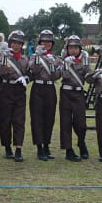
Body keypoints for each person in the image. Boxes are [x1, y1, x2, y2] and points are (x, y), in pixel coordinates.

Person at [0, 31, 30, 162]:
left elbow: (29, 73)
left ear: (22, 45)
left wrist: (26, 79)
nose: (16, 45)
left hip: (19, 90)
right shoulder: (4, 57)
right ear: (10, 43)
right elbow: (0, 71)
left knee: (19, 120)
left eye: (19, 43)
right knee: (5, 120)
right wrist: (5, 58)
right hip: (6, 89)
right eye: (14, 43)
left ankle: (18, 149)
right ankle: (7, 147)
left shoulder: (24, 59)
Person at [28, 29, 60, 160]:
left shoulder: (57, 59)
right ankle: (39, 147)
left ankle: (47, 145)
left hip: (50, 89)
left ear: (52, 43)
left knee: (49, 118)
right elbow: (34, 71)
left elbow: (56, 76)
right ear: (40, 42)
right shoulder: (34, 57)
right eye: (44, 41)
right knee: (37, 118)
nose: (46, 44)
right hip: (38, 88)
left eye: (49, 41)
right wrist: (38, 57)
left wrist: (52, 64)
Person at [58, 35, 91, 162]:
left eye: (75, 47)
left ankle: (81, 142)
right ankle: (68, 150)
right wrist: (66, 64)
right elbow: (64, 76)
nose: (73, 50)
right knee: (65, 122)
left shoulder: (84, 60)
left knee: (81, 123)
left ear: (80, 49)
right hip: (66, 92)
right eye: (70, 47)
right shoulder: (63, 61)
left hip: (78, 93)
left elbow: (88, 73)